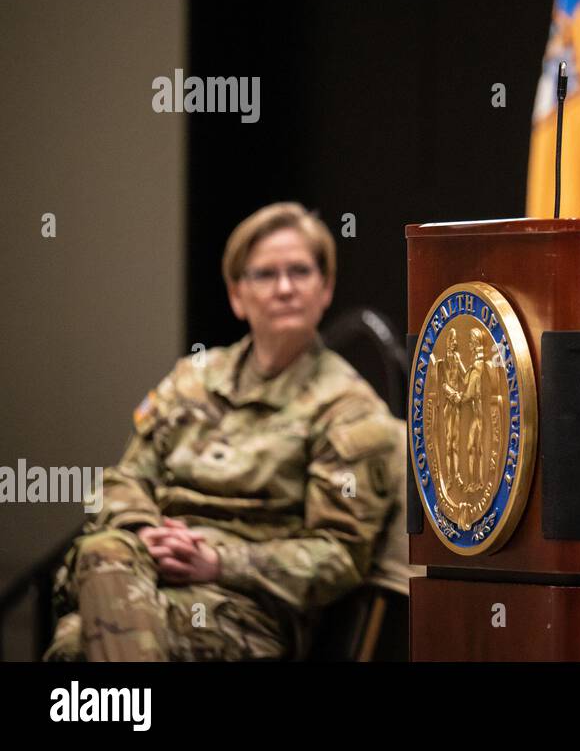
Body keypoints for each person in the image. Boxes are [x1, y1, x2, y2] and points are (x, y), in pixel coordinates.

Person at [45, 203, 403, 661]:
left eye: (300, 271)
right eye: (265, 275)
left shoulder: (349, 408)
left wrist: (218, 561)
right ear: (237, 295)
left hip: (246, 612)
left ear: (326, 288)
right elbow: (124, 481)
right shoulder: (191, 379)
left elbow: (339, 557)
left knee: (78, 644)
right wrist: (145, 531)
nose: (285, 287)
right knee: (103, 549)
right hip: (145, 575)